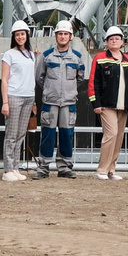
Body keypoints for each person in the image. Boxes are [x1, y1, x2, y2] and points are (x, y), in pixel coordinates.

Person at [37, 20, 88, 178]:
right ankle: (43, 168)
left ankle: (65, 167)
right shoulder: (46, 56)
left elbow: (80, 78)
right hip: (50, 102)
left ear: (70, 36)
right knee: (47, 135)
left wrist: (68, 91)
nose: (63, 36)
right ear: (56, 36)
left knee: (66, 135)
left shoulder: (77, 57)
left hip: (68, 103)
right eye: (60, 34)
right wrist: (50, 90)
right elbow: (39, 77)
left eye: (66, 34)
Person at [90, 27, 128, 181]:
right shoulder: (100, 58)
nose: (114, 41)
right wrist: (95, 103)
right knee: (111, 134)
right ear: (106, 42)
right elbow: (93, 82)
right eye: (111, 39)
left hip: (124, 105)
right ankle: (102, 169)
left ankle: (111, 169)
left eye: (117, 38)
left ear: (122, 42)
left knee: (119, 137)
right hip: (106, 104)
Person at [0, 20, 38, 182]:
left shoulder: (31, 54)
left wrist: (34, 102)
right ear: (14, 37)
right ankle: (8, 169)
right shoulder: (9, 55)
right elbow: (4, 80)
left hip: (28, 97)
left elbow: (31, 78)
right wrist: (5, 102)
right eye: (17, 35)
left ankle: (15, 167)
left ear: (27, 35)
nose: (20, 37)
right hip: (14, 96)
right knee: (11, 134)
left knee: (21, 134)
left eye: (22, 34)